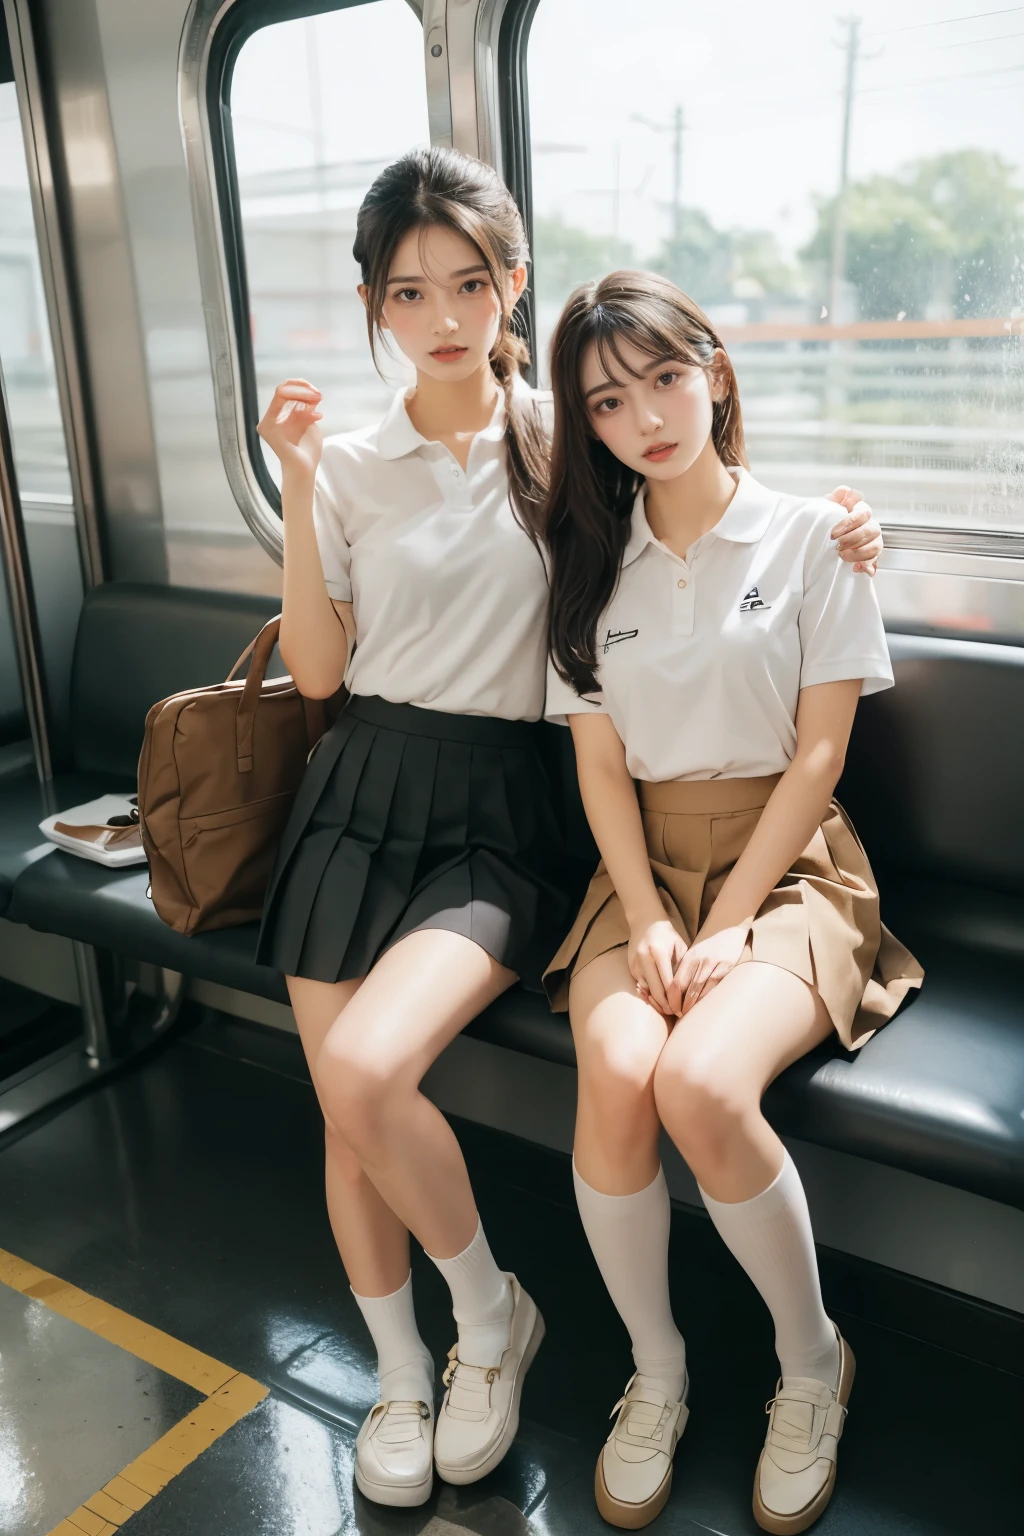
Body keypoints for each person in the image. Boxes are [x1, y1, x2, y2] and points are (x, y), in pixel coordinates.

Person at [252, 147, 884, 1511]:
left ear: (510, 285)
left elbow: (718, 531)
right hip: (363, 786)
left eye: (469, 284)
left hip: (505, 803)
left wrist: (849, 526)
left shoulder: (568, 442)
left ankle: (512, 1324)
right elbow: (314, 673)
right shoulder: (351, 461)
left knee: (376, 1070)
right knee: (345, 1108)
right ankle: (410, 1367)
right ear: (373, 305)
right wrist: (297, 482)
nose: (442, 317)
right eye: (408, 292)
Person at [542, 271, 922, 1534]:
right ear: (585, 426)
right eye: (607, 400)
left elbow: (818, 758)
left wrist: (719, 927)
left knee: (699, 1082)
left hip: (790, 860)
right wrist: (649, 916)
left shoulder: (816, 535)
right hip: (640, 868)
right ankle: (658, 1370)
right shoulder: (589, 565)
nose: (644, 414)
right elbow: (600, 762)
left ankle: (812, 1365)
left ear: (712, 369)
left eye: (663, 376)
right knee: (616, 1065)